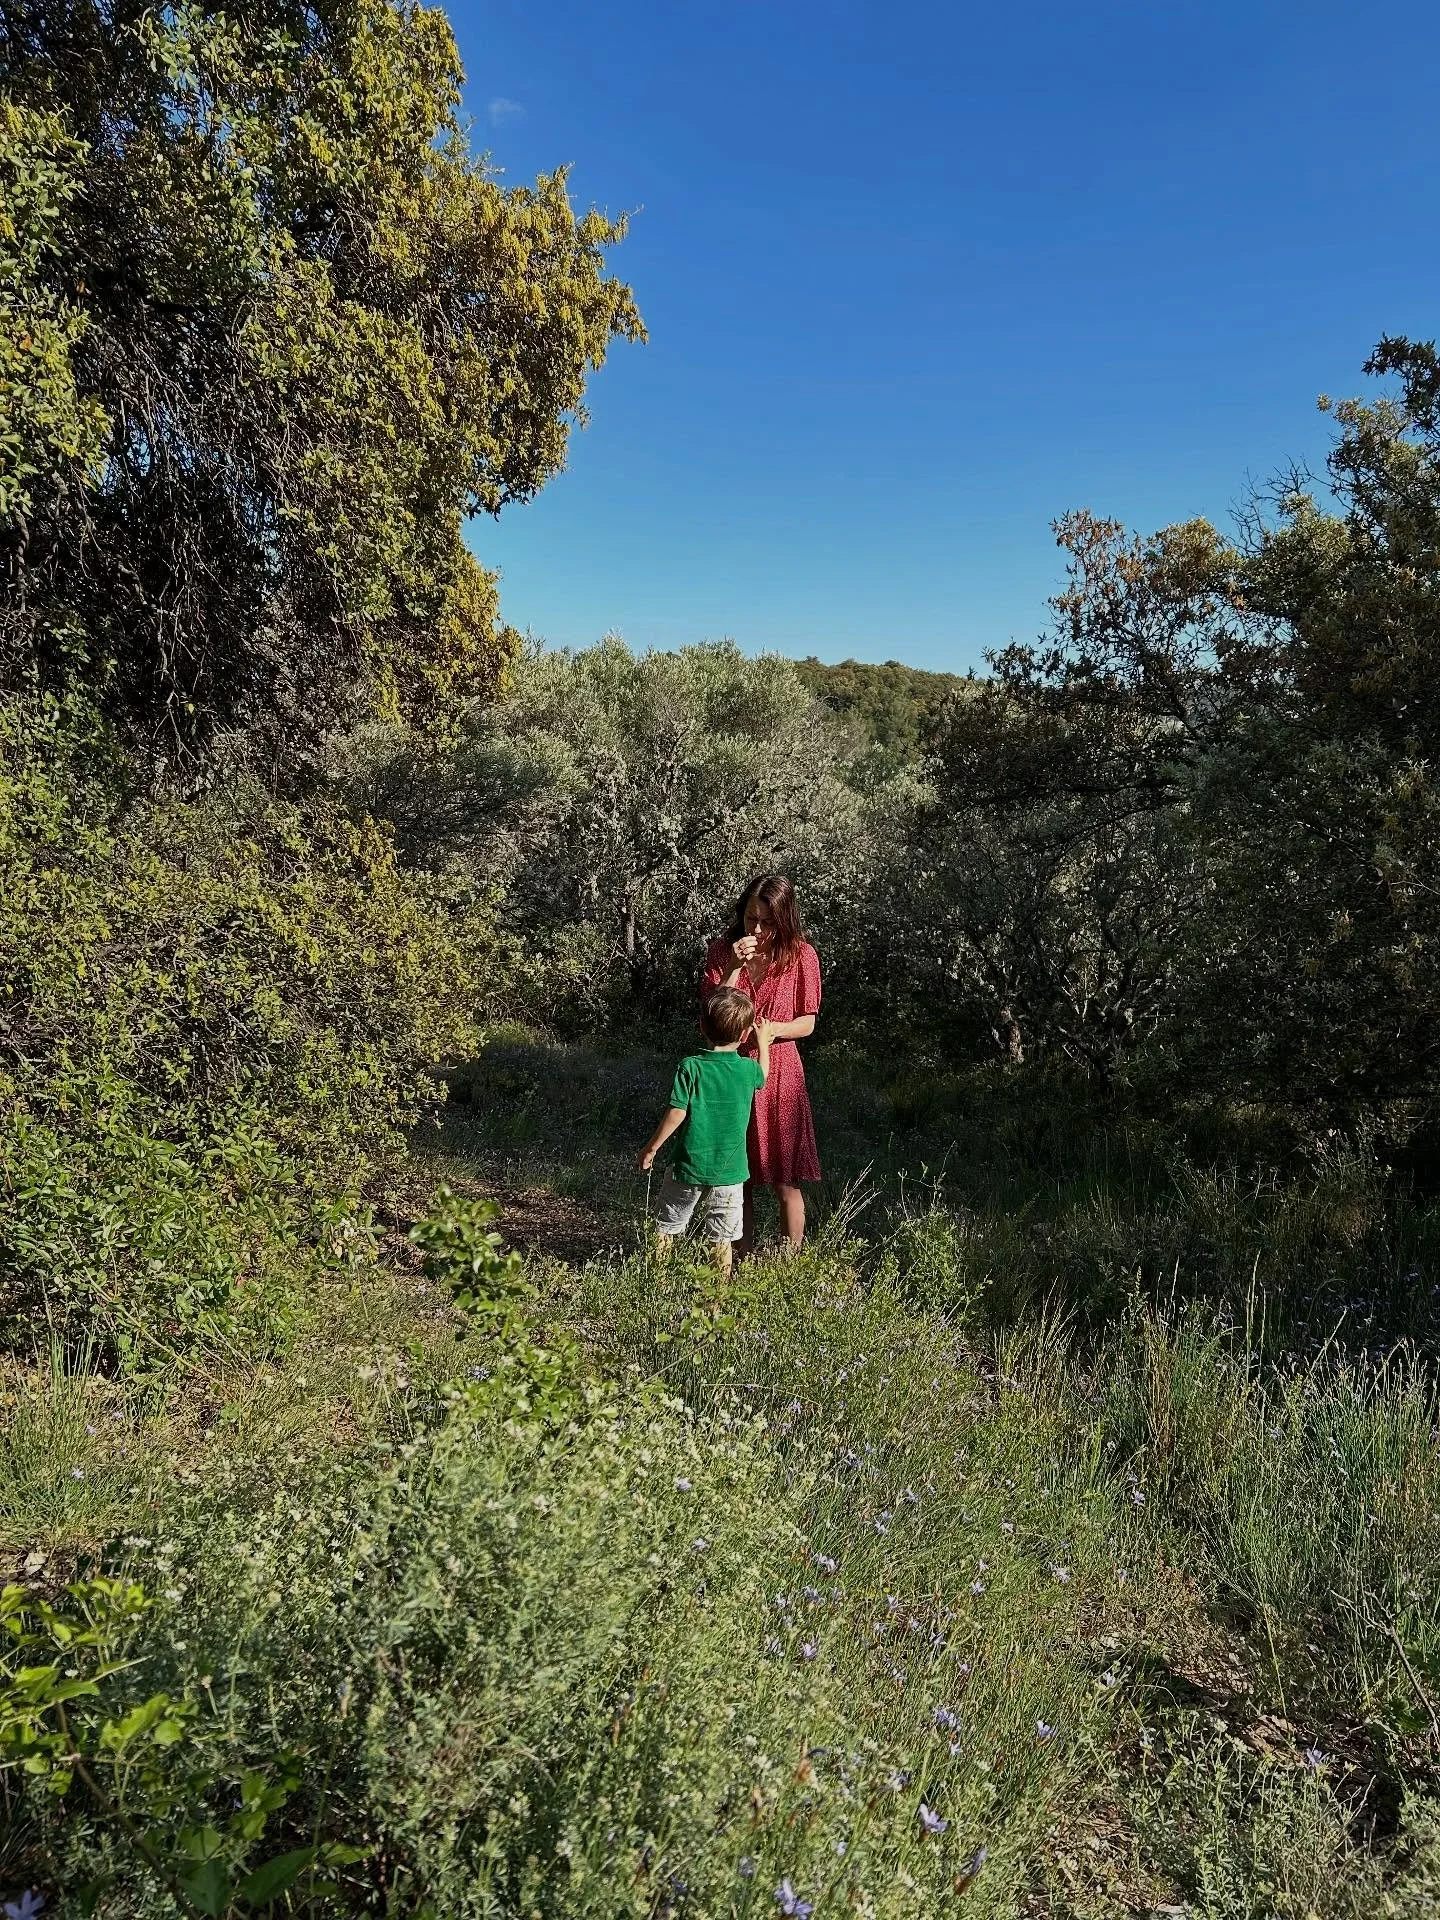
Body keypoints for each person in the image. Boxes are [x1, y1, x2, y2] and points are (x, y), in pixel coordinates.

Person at [701, 874, 821, 1255]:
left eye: (767, 922)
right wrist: (734, 967)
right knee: (739, 1179)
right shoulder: (723, 950)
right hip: (730, 1070)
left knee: (786, 1180)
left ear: (784, 920)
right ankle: (738, 1261)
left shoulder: (802, 955)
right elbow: (713, 1011)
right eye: (752, 917)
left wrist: (772, 1031)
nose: (757, 928)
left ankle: (788, 1268)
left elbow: (808, 1020)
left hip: (781, 1074)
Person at [637, 986, 772, 1278]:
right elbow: (764, 1074)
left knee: (665, 1228)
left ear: (701, 1027)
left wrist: (652, 1148)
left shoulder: (691, 1067)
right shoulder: (748, 1070)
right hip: (731, 1172)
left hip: (688, 1166)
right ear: (744, 1035)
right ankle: (717, 1298)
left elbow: (677, 1112)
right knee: (721, 1239)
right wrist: (764, 1043)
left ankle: (655, 1284)